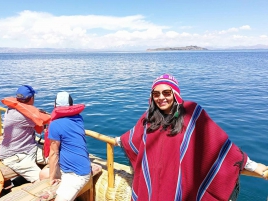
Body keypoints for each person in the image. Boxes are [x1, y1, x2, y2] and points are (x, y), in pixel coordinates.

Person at [114, 74, 268, 201]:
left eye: (167, 93)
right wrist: (118, 140)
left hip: (180, 183)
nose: (161, 98)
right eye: (156, 94)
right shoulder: (149, 117)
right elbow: (133, 137)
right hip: (154, 181)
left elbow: (217, 144)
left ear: (175, 94)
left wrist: (253, 166)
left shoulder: (192, 113)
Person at [39, 91, 91, 201]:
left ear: (54, 106)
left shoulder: (55, 124)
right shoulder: (78, 119)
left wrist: (53, 177)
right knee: (43, 174)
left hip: (76, 173)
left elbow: (54, 153)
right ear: (71, 106)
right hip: (68, 167)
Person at [0, 85, 50, 183]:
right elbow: (46, 119)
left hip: (30, 148)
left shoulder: (10, 110)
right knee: (44, 181)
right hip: (16, 157)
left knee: (56, 158)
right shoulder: (24, 116)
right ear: (31, 99)